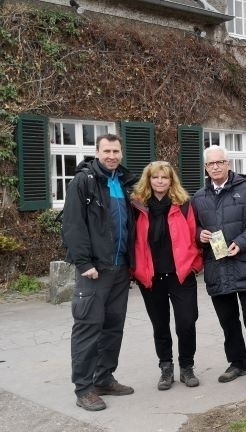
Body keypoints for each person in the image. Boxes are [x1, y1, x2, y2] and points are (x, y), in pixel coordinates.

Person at [61, 134, 137, 411]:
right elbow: (72, 225)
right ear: (97, 152)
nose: (112, 156)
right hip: (94, 270)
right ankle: (83, 389)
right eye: (106, 151)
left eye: (116, 151)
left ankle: (103, 378)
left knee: (113, 328)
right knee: (87, 328)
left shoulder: (121, 182)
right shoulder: (84, 181)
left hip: (120, 269)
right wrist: (84, 263)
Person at [192, 145, 246, 389]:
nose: (215, 167)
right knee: (228, 321)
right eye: (210, 164)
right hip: (217, 269)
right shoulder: (198, 197)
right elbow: (190, 228)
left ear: (228, 164)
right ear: (205, 168)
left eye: (220, 162)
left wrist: (242, 242)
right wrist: (199, 235)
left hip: (245, 264)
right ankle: (237, 363)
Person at [131, 161, 203, 391]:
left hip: (181, 275)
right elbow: (131, 239)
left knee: (186, 322)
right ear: (148, 179)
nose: (160, 181)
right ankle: (166, 367)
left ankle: (187, 366)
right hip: (151, 277)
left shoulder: (182, 204)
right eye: (155, 177)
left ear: (172, 180)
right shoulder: (137, 206)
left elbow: (194, 235)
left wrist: (194, 264)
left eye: (165, 177)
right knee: (160, 325)